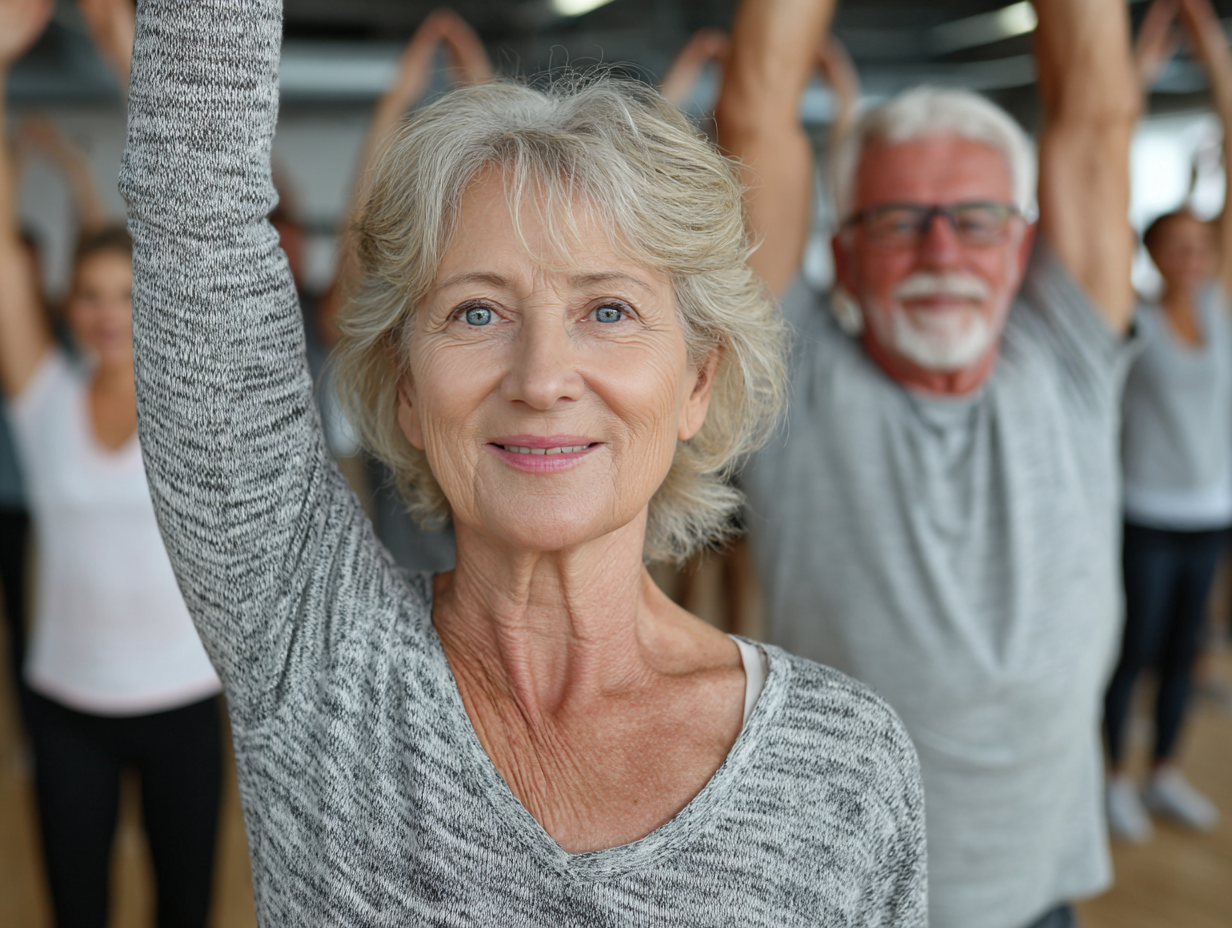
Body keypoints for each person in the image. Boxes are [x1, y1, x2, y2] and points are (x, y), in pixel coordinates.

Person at [119, 0, 928, 922]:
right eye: (477, 312)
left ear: (697, 382)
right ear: (407, 386)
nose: (542, 379)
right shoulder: (317, 657)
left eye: (609, 311)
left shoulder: (845, 768)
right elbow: (195, 209)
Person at [717, 0, 1139, 926]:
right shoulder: (796, 380)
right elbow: (755, 114)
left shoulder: (1068, 354)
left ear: (1021, 247)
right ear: (843, 255)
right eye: (900, 222)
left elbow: (1099, 118)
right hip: (848, 901)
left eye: (976, 221)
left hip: (1041, 898)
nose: (941, 252)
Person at [0, 1, 223, 925]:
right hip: (66, 706)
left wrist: (128, 53)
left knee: (185, 910)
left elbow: (191, 218)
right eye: (90, 294)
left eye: (126, 292)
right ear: (70, 305)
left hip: (184, 699)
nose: (106, 312)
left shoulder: (189, 399)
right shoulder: (42, 395)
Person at [1104, 0, 1230, 843]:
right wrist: (1140, 72)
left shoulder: (1222, 306)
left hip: (1210, 511)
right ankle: (1114, 776)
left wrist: (1214, 51)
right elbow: (1104, 174)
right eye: (1175, 245)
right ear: (1152, 253)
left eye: (1201, 245)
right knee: (1134, 652)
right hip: (1144, 511)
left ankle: (1164, 774)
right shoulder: (1134, 315)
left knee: (1186, 652)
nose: (1191, 257)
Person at [319, 9, 494, 574]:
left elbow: (517, 218)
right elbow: (357, 249)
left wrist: (483, 95)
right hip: (409, 581)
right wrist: (393, 106)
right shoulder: (397, 341)